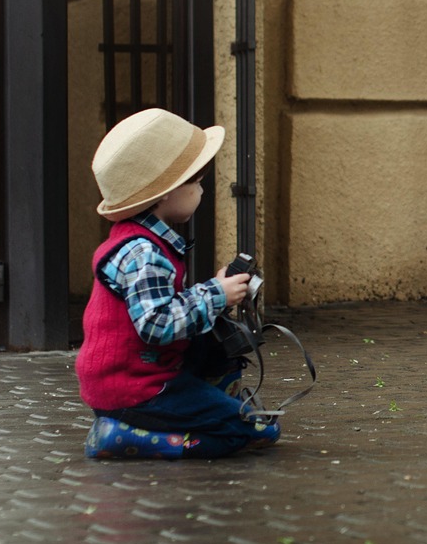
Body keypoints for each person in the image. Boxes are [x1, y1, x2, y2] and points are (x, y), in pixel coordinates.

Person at [76, 108, 280, 458]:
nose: (201, 190)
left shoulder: (137, 240)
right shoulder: (143, 253)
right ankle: (127, 437)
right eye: (196, 181)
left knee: (211, 335)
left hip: (131, 381)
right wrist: (216, 293)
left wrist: (214, 292)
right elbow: (157, 324)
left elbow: (162, 307)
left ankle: (206, 396)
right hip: (138, 390)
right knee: (254, 430)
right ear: (168, 192)